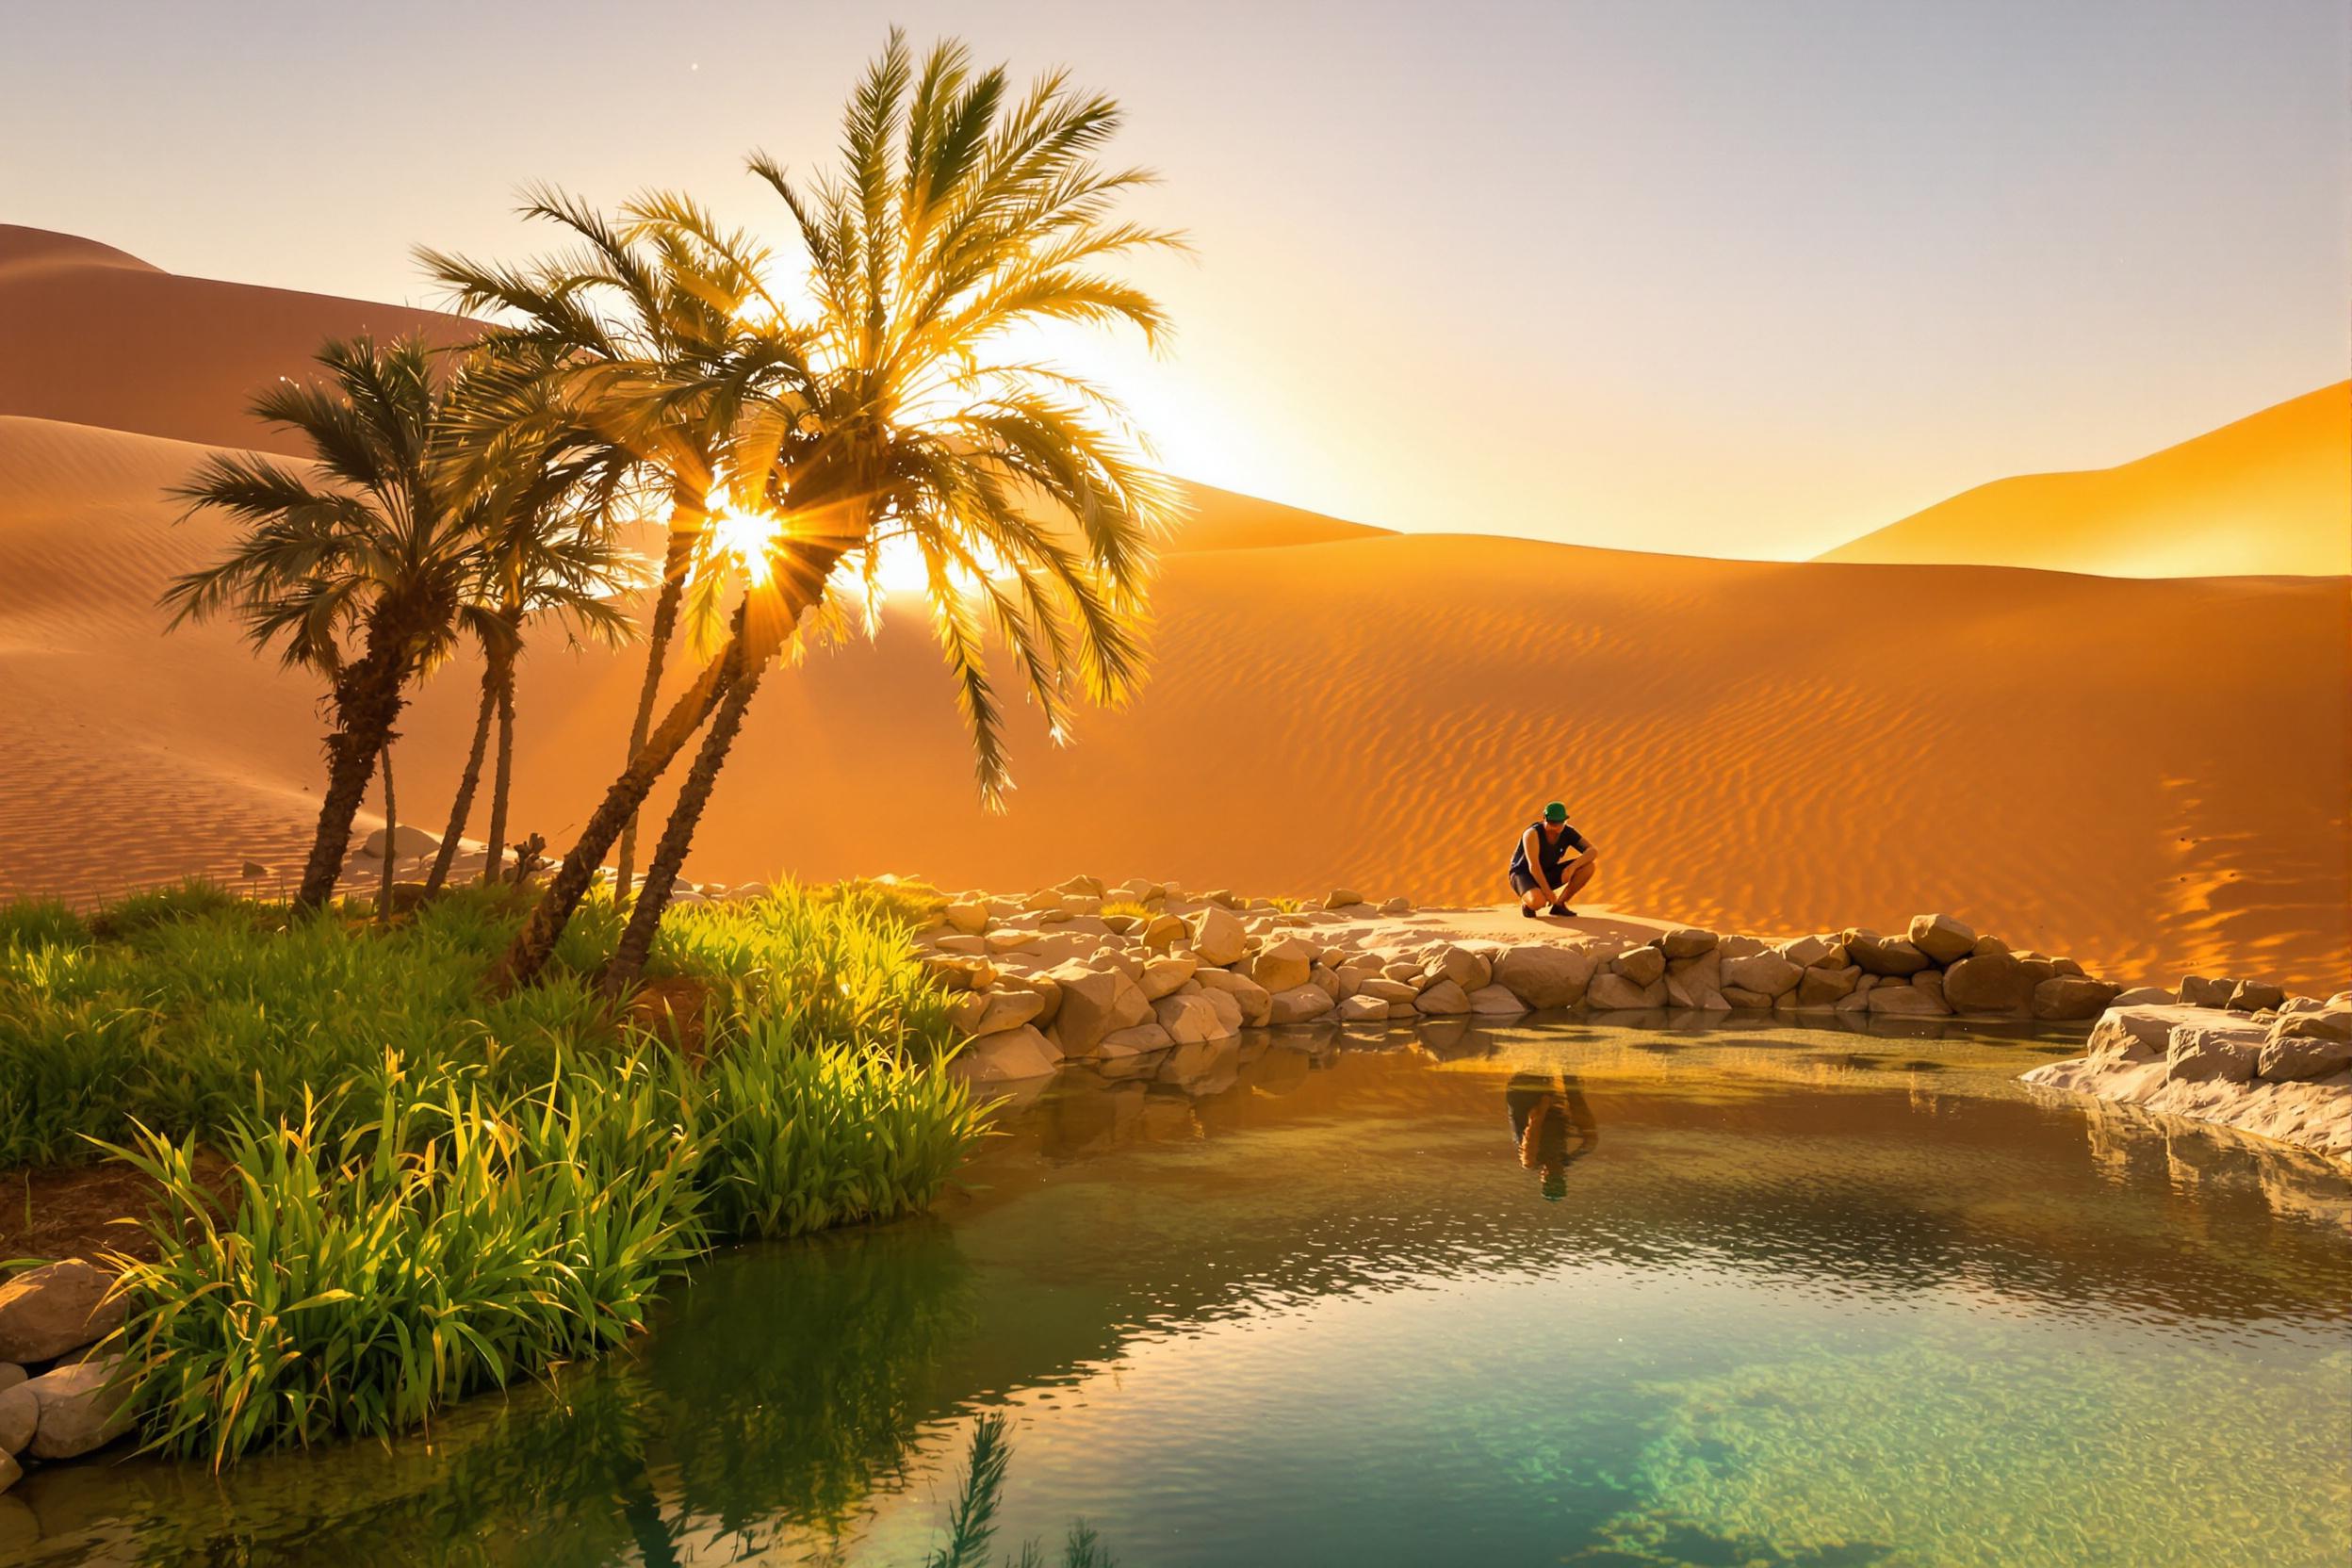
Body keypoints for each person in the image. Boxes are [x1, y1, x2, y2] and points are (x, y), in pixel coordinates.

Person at [1504, 1070, 1599, 1200]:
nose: (1552, 1171)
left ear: (1543, 1177)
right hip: (1543, 1094)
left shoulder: (1530, 1160)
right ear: (1563, 1176)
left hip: (1523, 1091)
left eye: (1549, 1177)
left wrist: (1545, 1101)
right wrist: (1587, 1142)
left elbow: (1535, 1119)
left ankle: (1568, 1078)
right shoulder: (1565, 1159)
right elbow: (1590, 1143)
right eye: (1557, 1176)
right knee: (1585, 1126)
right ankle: (1569, 1077)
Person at [1509, 801, 1598, 917]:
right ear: (1544, 819)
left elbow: (1592, 851)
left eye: (1559, 823)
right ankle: (1527, 903)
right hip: (1523, 874)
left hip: (1547, 871)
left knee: (1588, 866)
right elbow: (1534, 866)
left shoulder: (1567, 831)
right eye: (1551, 823)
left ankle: (1559, 905)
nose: (1555, 827)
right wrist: (1547, 891)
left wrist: (1572, 868)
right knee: (1538, 902)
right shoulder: (1532, 834)